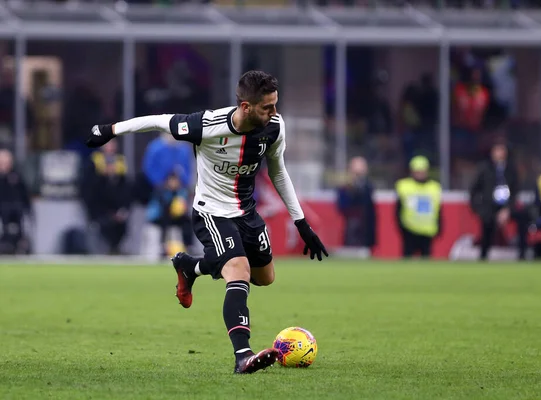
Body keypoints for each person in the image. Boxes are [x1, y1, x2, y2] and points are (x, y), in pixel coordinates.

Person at [86, 70, 328, 375]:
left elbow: (278, 172)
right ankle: (243, 356)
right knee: (238, 271)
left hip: (247, 213)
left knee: (265, 277)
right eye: (267, 107)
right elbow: (159, 120)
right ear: (245, 107)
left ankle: (192, 266)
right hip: (210, 211)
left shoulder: (274, 128)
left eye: (275, 105)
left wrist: (301, 223)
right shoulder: (206, 124)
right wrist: (110, 130)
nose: (274, 112)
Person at [469, 139, 528, 260]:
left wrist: (507, 209)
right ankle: (484, 256)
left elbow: (515, 192)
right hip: (490, 206)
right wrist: (479, 209)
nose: (499, 153)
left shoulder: (511, 170)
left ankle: (522, 254)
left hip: (507, 206)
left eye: (502, 150)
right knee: (487, 221)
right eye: (497, 150)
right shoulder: (484, 169)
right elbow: (474, 191)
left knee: (523, 216)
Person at [394, 156, 442, 258]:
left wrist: (440, 226)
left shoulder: (434, 187)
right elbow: (398, 209)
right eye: (417, 171)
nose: (420, 174)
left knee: (426, 260)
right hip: (409, 229)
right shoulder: (404, 186)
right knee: (407, 258)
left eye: (422, 171)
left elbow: (438, 209)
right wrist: (401, 226)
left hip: (428, 230)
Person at [336, 156, 376, 251]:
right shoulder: (345, 187)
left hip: (366, 227)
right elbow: (342, 206)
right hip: (352, 226)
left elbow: (369, 206)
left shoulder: (368, 185)